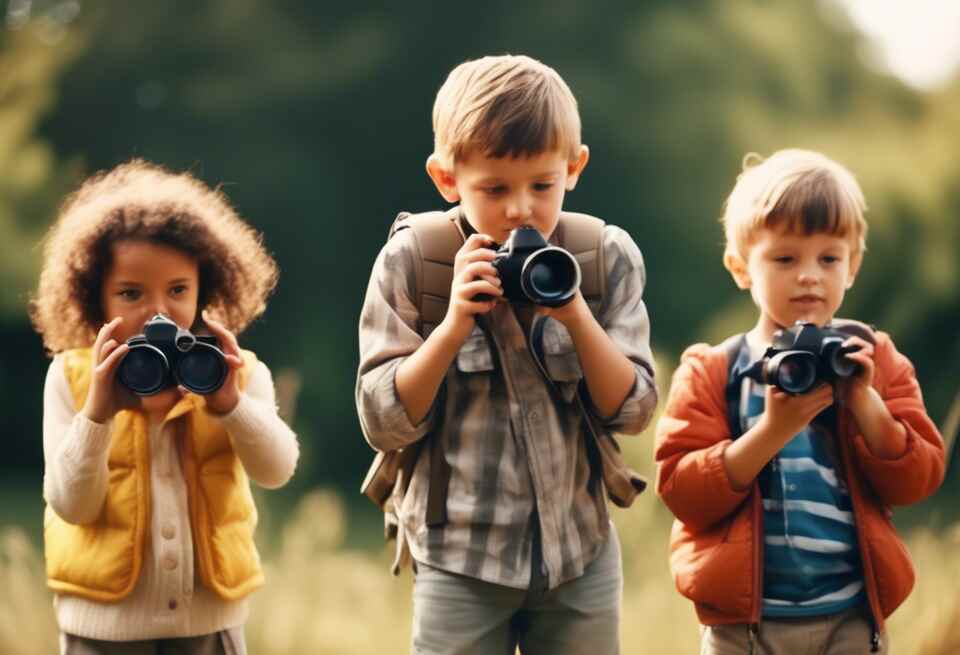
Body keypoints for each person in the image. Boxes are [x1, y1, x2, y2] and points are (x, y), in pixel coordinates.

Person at [355, 54, 657, 654]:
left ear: (574, 168)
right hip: (460, 558)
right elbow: (380, 419)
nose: (521, 209)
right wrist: (450, 326)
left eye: (542, 186)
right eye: (494, 189)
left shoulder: (603, 256)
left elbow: (636, 410)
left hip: (579, 552)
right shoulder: (415, 262)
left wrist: (573, 309)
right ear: (447, 180)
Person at [654, 149, 945, 654]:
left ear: (852, 266)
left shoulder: (876, 359)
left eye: (828, 258)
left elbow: (919, 478)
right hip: (743, 625)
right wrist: (771, 432)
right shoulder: (715, 370)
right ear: (742, 268)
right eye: (785, 258)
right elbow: (682, 491)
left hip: (849, 614)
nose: (809, 275)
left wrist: (865, 403)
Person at [30, 159, 299, 654]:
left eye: (178, 290)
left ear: (206, 288)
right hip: (101, 628)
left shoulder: (238, 372)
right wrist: (97, 414)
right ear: (95, 300)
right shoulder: (72, 378)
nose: (157, 311)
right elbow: (72, 505)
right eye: (131, 293)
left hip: (209, 622)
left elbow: (277, 470)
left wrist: (230, 404)